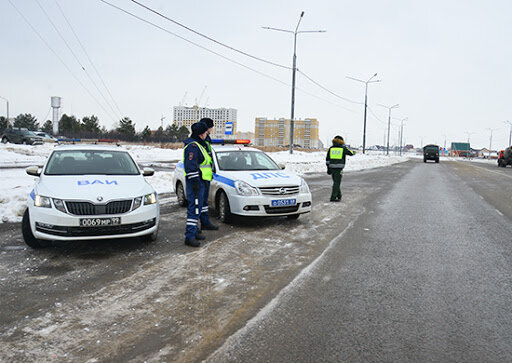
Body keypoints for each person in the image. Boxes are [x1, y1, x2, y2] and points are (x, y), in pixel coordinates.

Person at [182, 122, 212, 247]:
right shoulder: (193, 146)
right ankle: (189, 236)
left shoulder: (199, 145)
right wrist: (195, 183)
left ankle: (194, 232)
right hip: (195, 183)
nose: (207, 134)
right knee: (193, 209)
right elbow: (190, 166)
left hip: (200, 182)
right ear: (201, 133)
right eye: (205, 132)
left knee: (197, 208)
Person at [198, 118, 219, 231]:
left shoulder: (207, 140)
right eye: (210, 127)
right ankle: (194, 228)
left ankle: (205, 222)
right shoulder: (199, 142)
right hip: (199, 177)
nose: (211, 130)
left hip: (206, 177)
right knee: (198, 204)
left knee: (204, 203)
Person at [326, 135, 355, 202]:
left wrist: (328, 168)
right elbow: (350, 153)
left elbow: (327, 159)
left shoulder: (331, 148)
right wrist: (354, 152)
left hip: (332, 167)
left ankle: (339, 195)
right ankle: (333, 197)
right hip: (339, 168)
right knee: (337, 182)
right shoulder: (343, 148)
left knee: (336, 182)